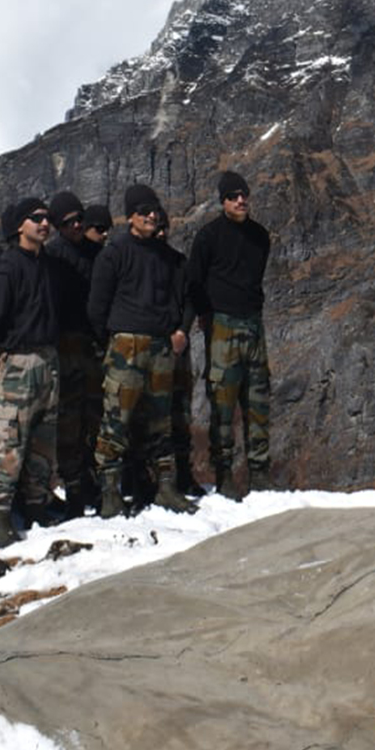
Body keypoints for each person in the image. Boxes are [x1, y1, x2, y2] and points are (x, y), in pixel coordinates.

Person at [89, 183, 198, 516]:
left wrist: (178, 330)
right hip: (126, 346)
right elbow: (97, 307)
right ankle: (109, 492)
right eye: (144, 211)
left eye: (155, 210)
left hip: (161, 346)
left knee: (161, 421)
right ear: (130, 216)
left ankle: (166, 486)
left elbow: (184, 297)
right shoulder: (114, 253)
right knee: (116, 420)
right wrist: (111, 344)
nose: (152, 216)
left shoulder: (166, 257)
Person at [0, 197, 63, 548]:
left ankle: (35, 505)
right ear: (19, 226)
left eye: (47, 218)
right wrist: (7, 351)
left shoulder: (48, 265)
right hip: (19, 362)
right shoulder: (7, 268)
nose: (44, 223)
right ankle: (0, 515)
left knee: (43, 440)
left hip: (49, 360)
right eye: (36, 218)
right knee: (10, 440)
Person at [186, 170, 272, 500]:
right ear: (222, 201)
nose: (240, 200)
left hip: (253, 323)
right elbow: (194, 280)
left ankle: (260, 473)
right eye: (233, 196)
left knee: (258, 400)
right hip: (222, 324)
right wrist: (205, 316)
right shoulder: (208, 236)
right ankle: (223, 474)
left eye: (243, 195)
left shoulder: (260, 236)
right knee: (222, 402)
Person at [45, 189, 104, 516]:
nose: (77, 225)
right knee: (68, 420)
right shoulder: (52, 257)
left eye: (80, 219)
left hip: (94, 344)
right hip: (64, 345)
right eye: (68, 222)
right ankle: (74, 487)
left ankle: (95, 480)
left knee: (96, 416)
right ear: (58, 226)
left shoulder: (98, 254)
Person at [155, 203, 202, 497]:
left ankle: (184, 472)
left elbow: (190, 300)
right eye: (156, 227)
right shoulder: (139, 262)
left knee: (181, 411)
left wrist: (182, 331)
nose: (161, 233)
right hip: (150, 347)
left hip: (179, 346)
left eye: (164, 228)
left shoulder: (179, 263)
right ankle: (150, 477)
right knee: (151, 416)